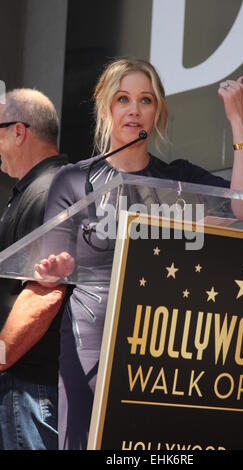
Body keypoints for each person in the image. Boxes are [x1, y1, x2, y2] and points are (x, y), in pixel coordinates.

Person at [34, 58, 243, 449]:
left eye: (146, 100)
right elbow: (47, 271)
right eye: (123, 99)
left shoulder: (180, 179)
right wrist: (57, 267)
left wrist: (237, 118)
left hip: (162, 346)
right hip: (92, 346)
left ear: (158, 113)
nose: (134, 110)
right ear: (107, 108)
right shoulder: (73, 180)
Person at [0, 89, 68, 450]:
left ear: (18, 131)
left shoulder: (51, 190)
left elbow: (46, 292)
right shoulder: (42, 189)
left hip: (31, 393)